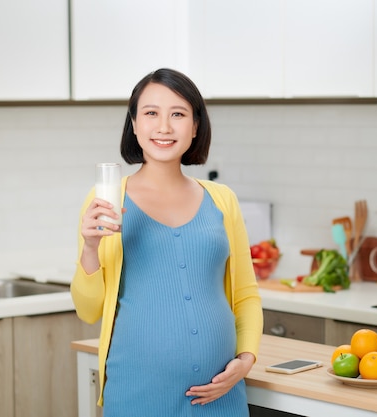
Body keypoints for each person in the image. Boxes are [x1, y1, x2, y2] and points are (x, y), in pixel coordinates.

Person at [70, 68, 263, 417]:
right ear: (133, 124)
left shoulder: (222, 200)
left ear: (195, 126)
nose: (164, 127)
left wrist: (246, 359)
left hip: (220, 395)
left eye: (178, 114)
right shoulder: (107, 201)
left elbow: (246, 294)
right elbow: (88, 311)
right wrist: (89, 248)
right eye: (151, 113)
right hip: (139, 394)